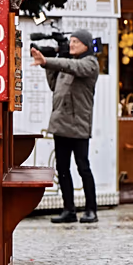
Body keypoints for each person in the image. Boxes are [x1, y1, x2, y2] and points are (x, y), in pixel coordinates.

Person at [31, 30, 101, 224]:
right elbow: (54, 85)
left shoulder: (90, 63)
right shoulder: (66, 62)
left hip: (78, 124)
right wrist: (50, 63)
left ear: (86, 45)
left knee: (83, 167)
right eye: (70, 41)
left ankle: (91, 210)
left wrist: (48, 61)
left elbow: (72, 67)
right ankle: (68, 210)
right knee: (62, 168)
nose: (71, 45)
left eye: (76, 41)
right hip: (61, 123)